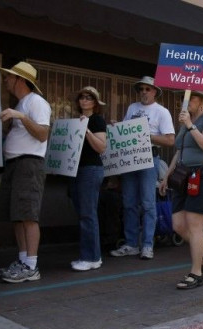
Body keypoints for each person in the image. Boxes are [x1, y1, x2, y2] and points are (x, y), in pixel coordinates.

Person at [0, 61, 51, 283]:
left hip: (29, 164)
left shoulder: (36, 102)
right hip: (15, 164)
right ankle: (22, 260)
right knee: (17, 215)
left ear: (20, 79)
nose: (6, 80)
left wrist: (21, 117)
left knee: (28, 214)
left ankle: (31, 265)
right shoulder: (22, 103)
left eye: (9, 77)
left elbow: (42, 134)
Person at [158, 91, 203, 289]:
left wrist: (190, 126)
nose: (184, 103)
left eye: (190, 99)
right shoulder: (187, 120)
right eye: (183, 100)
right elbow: (180, 150)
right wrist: (167, 174)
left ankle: (196, 272)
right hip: (183, 174)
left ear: (201, 101)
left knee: (194, 224)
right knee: (178, 224)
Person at [111, 76, 174, 260]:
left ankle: (147, 244)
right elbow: (125, 131)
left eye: (148, 89)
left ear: (155, 92)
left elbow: (170, 140)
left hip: (149, 157)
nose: (144, 92)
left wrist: (147, 135)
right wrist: (118, 128)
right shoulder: (132, 108)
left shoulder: (162, 112)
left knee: (148, 203)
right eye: (141, 89)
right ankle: (131, 244)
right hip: (131, 158)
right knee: (129, 202)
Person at [68, 87, 107, 271]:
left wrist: (87, 130)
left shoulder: (97, 120)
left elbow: (101, 147)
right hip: (77, 169)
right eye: (82, 97)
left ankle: (92, 257)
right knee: (83, 212)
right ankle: (89, 255)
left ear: (95, 103)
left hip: (91, 169)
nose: (84, 101)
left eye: (89, 98)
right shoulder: (76, 121)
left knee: (87, 213)